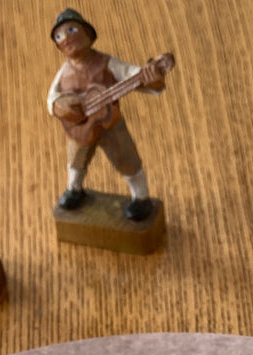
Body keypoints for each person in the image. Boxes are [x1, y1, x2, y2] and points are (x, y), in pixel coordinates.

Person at [46, 9, 168, 221]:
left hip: (110, 125)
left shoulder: (106, 63)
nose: (65, 38)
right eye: (58, 36)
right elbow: (51, 98)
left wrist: (151, 78)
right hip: (80, 129)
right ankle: (74, 189)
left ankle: (141, 198)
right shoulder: (64, 71)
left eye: (71, 30)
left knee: (127, 159)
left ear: (88, 34)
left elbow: (132, 74)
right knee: (75, 160)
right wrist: (60, 106)